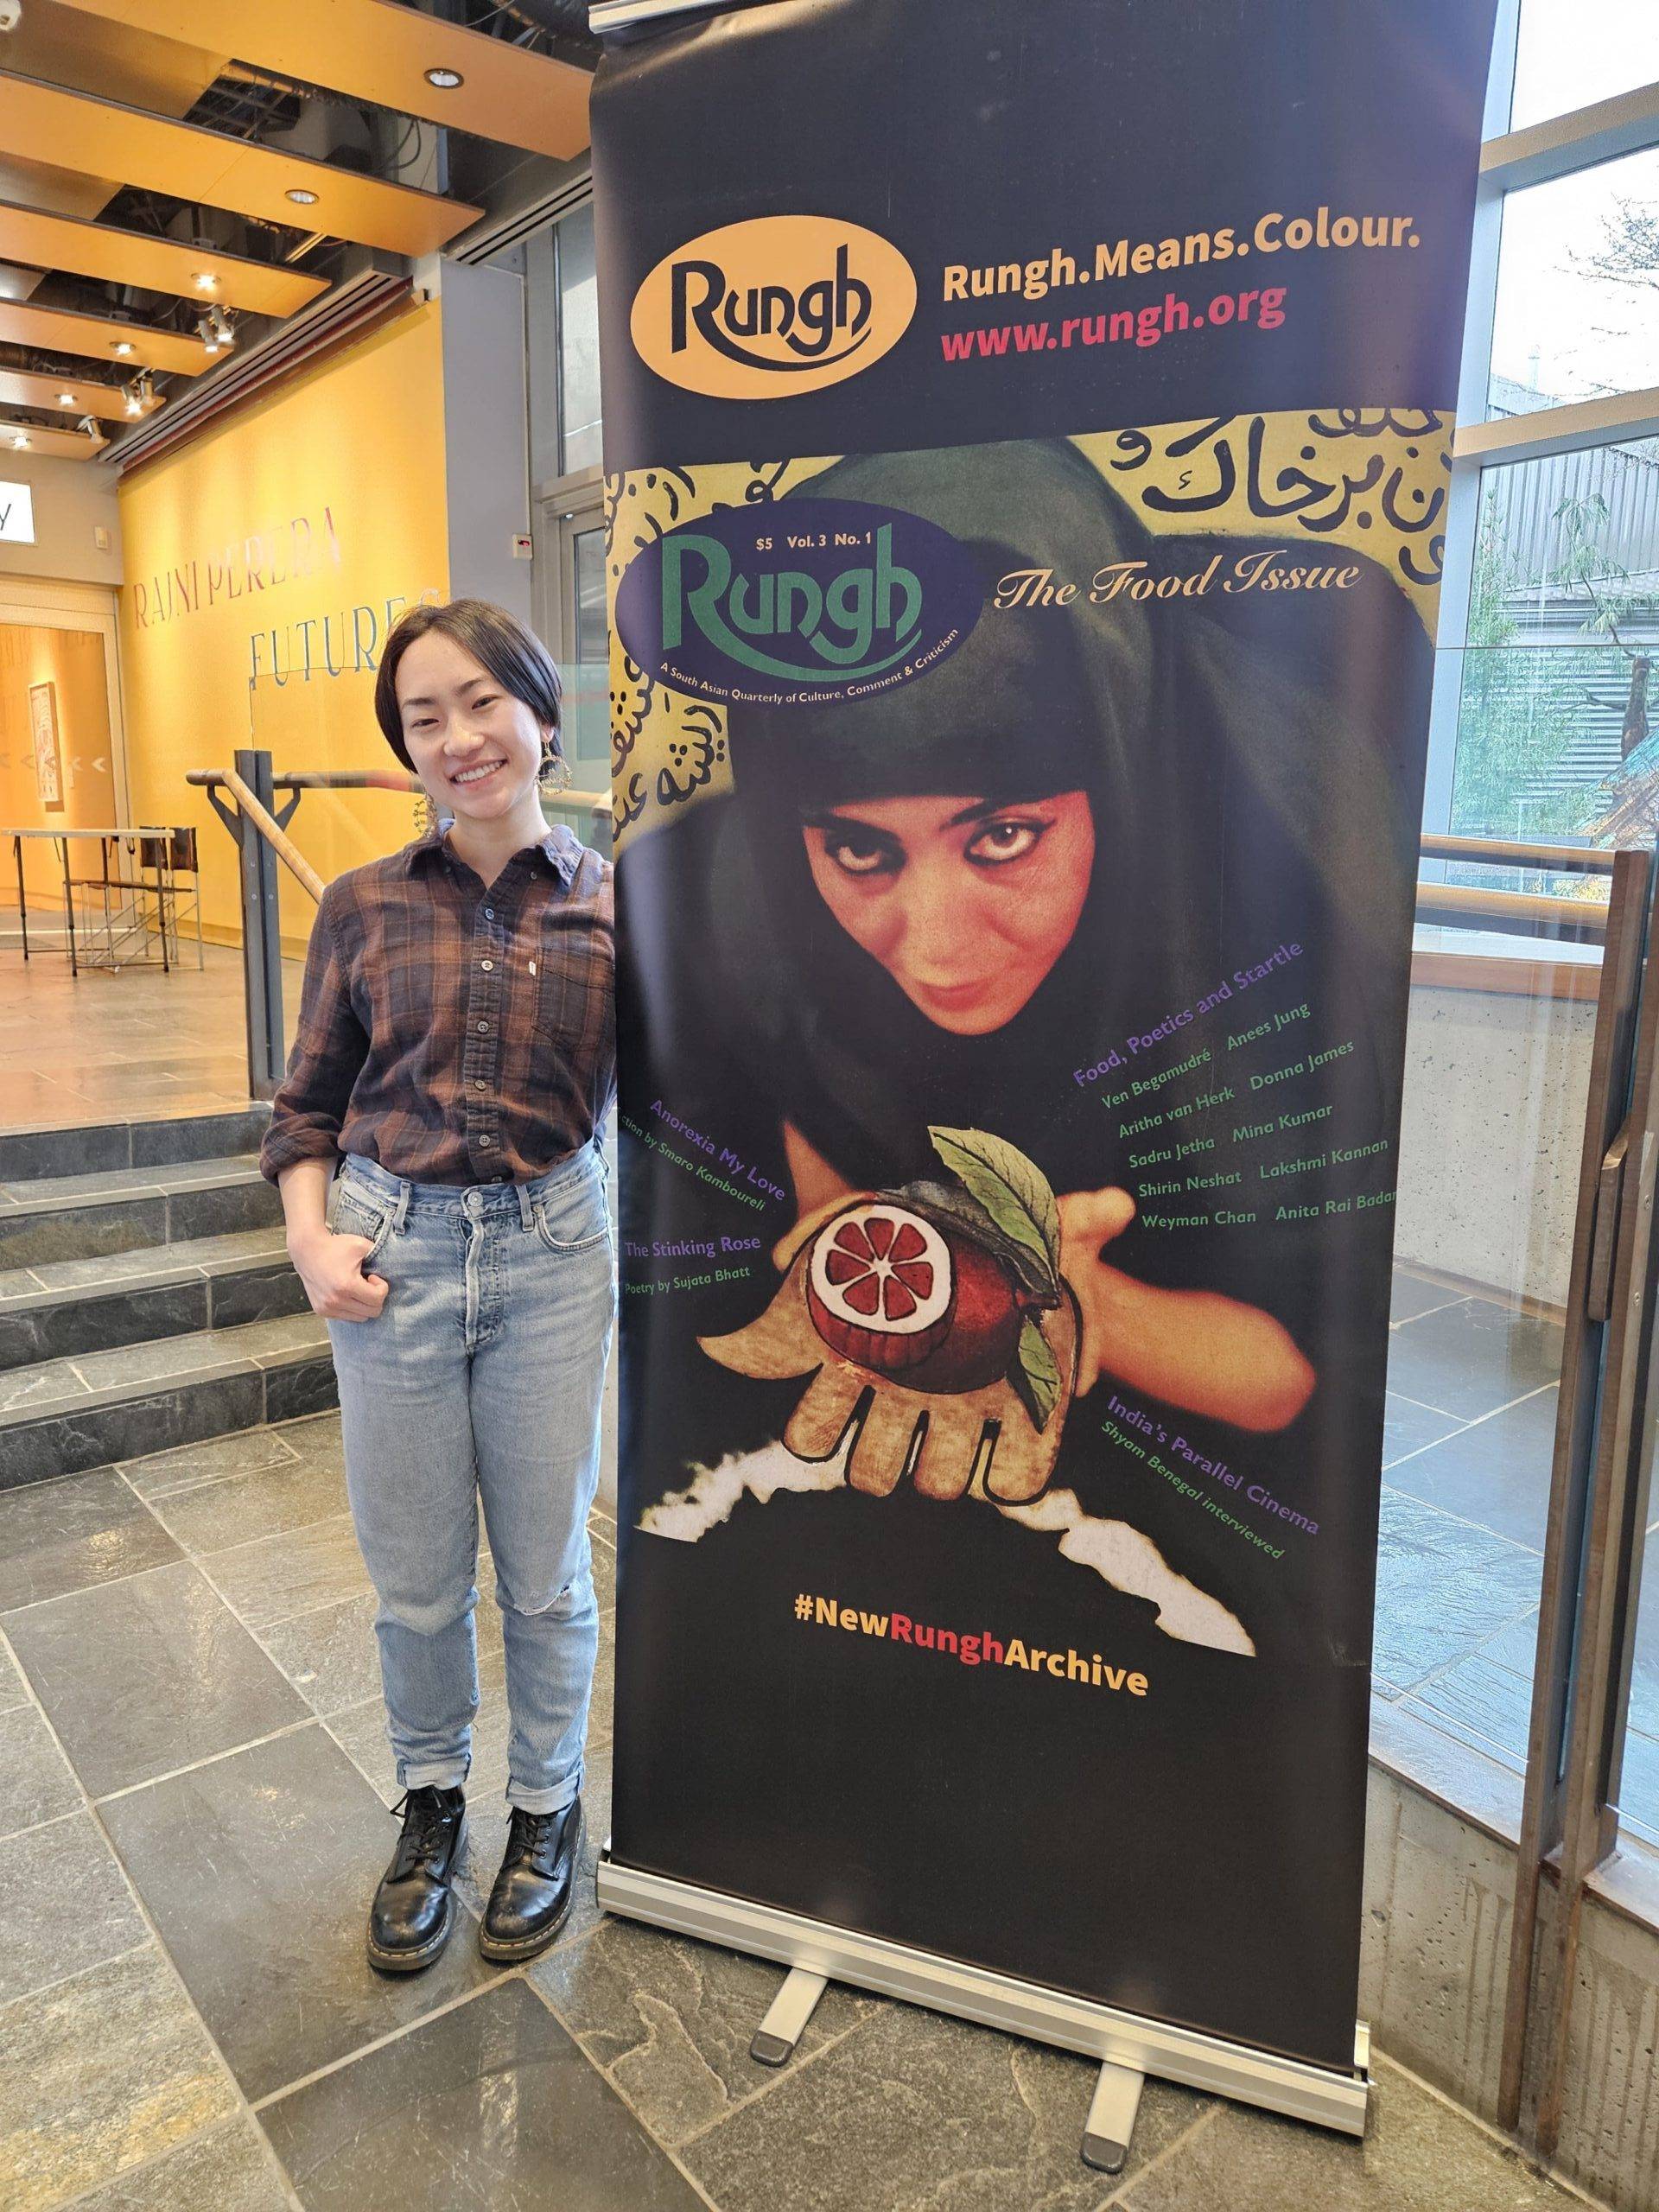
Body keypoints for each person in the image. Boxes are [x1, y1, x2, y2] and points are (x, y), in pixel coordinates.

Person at [618, 437, 1430, 1656]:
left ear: (1115, 763)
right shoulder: (728, 911)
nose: (936, 946)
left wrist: (1072, 1297)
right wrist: (891, 1257)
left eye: (1001, 837)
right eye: (858, 850)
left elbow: (1303, 1369)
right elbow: (787, 1149)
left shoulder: (1268, 933)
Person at [259, 598, 614, 1974]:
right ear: (407, 749)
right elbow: (305, 1111)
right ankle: (430, 1809)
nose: (461, 739)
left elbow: (691, 1108)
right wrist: (310, 1239)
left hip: (551, 1255)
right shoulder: (360, 907)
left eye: (482, 703)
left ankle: (544, 1810)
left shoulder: (612, 908)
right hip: (390, 1256)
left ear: (540, 716)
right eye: (426, 718)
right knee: (415, 1584)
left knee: (543, 1575)